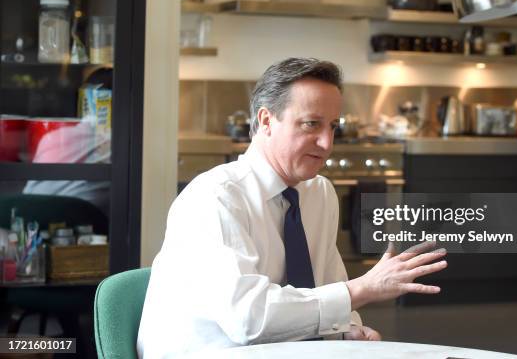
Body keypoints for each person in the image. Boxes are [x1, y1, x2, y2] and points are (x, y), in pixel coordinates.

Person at [137, 58, 447, 358]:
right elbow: (249, 318)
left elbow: (327, 287)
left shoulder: (319, 192)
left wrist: (348, 330)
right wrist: (362, 288)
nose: (326, 143)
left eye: (333, 127)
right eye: (311, 124)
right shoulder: (215, 197)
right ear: (266, 121)